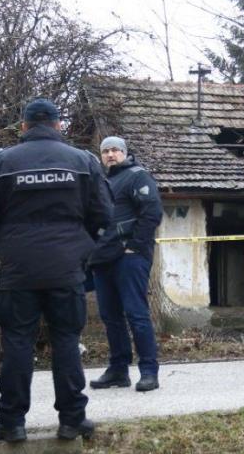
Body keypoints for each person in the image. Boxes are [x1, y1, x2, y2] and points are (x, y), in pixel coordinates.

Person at [0, 98, 113, 443]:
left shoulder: (2, 162)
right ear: (58, 125)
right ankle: (72, 419)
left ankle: (11, 422)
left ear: (23, 126)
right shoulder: (83, 161)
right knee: (66, 340)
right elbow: (104, 215)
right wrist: (82, 247)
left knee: (18, 342)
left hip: (19, 267)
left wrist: (5, 243)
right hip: (66, 267)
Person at [87, 136, 163, 392]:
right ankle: (118, 370)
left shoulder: (137, 176)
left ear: (124, 153)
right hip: (103, 258)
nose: (110, 154)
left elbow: (152, 212)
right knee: (110, 317)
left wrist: (136, 247)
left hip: (129, 257)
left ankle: (149, 372)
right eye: (106, 151)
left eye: (115, 150)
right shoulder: (101, 181)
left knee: (136, 314)